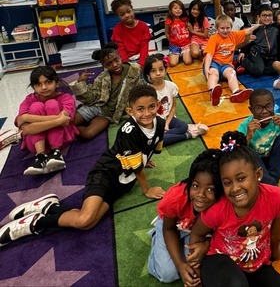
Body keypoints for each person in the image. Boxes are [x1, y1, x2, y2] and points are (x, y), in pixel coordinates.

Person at [0, 85, 166, 247]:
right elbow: (136, 166)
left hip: (121, 183)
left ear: (158, 105)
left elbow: (155, 144)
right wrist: (147, 189)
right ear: (130, 111)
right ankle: (34, 222)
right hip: (106, 174)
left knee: (88, 223)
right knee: (84, 220)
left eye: (151, 107)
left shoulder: (159, 122)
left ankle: (50, 207)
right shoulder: (128, 130)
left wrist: (146, 157)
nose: (147, 113)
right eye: (140, 109)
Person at [186, 131, 280, 287]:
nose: (235, 188)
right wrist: (197, 270)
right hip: (219, 261)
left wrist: (276, 253)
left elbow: (276, 231)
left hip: (257, 265)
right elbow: (197, 233)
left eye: (241, 178)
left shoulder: (277, 197)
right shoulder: (218, 209)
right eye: (227, 182)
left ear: (258, 175)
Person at [147, 150, 222, 283]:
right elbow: (169, 229)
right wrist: (180, 265)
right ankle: (155, 235)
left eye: (210, 189)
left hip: (196, 232)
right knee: (168, 274)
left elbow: (223, 232)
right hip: (171, 226)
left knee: (197, 266)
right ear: (190, 183)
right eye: (196, 186)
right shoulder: (175, 198)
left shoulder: (222, 203)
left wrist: (206, 245)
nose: (201, 194)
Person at [70, 42, 142, 140]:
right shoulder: (102, 78)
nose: (115, 65)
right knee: (69, 122)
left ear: (120, 56)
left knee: (87, 134)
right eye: (109, 64)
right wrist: (80, 82)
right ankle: (64, 132)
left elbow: (140, 92)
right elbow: (91, 99)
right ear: (103, 65)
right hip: (97, 107)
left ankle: (69, 132)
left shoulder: (133, 70)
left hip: (109, 115)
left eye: (116, 60)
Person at [16, 66, 78, 175]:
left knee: (52, 104)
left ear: (57, 83)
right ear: (33, 87)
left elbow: (66, 118)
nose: (44, 87)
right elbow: (26, 128)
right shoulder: (29, 99)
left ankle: (56, 152)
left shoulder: (66, 98)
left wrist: (27, 118)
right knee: (36, 107)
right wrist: (59, 120)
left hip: (61, 140)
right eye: (38, 84)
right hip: (35, 145)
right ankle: (41, 156)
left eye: (48, 82)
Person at [143, 54, 208, 147]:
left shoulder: (171, 86)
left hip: (169, 118)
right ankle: (189, 135)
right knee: (159, 141)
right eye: (153, 71)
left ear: (166, 70)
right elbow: (148, 114)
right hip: (154, 122)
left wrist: (167, 124)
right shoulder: (147, 91)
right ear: (148, 74)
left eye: (161, 69)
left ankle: (183, 130)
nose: (158, 73)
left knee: (183, 126)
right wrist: (161, 126)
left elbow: (173, 107)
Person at [203, 15, 259, 106]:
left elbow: (247, 31)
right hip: (214, 63)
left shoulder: (233, 35)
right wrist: (206, 68)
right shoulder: (214, 38)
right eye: (222, 28)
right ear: (217, 28)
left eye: (228, 28)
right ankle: (212, 92)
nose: (225, 30)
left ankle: (236, 92)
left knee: (231, 73)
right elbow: (209, 55)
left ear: (231, 27)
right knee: (213, 73)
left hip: (226, 65)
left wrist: (258, 25)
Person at [237, 5, 280, 78]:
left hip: (270, 56)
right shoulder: (255, 29)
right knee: (258, 72)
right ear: (258, 17)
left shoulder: (276, 27)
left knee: (277, 70)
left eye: (269, 15)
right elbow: (249, 42)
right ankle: (245, 62)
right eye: (264, 15)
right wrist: (243, 52)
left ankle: (259, 67)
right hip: (257, 53)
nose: (267, 18)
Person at [110, 0, 151, 67]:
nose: (127, 15)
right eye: (122, 14)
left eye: (128, 11)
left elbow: (144, 48)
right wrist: (127, 64)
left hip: (142, 58)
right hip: (125, 60)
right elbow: (120, 49)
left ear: (132, 9)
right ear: (118, 16)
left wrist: (141, 64)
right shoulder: (117, 29)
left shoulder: (143, 26)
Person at [165, 0, 192, 67]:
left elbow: (190, 30)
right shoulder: (168, 21)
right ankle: (176, 55)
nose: (178, 10)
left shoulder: (185, 19)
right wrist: (171, 41)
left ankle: (183, 54)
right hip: (175, 46)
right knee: (173, 63)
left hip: (186, 44)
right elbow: (167, 33)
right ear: (171, 10)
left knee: (188, 62)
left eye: (180, 8)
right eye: (175, 8)